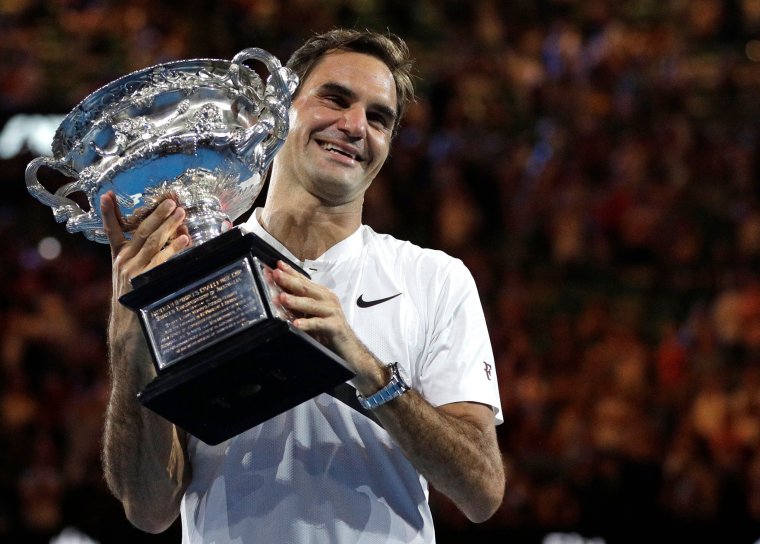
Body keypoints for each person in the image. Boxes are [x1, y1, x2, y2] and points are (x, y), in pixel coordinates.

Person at [99, 28, 505, 543]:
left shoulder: (435, 279)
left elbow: (481, 492)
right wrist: (127, 347)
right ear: (278, 113)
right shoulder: (194, 268)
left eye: (378, 118)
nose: (355, 125)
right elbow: (149, 509)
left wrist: (368, 370)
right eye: (335, 98)